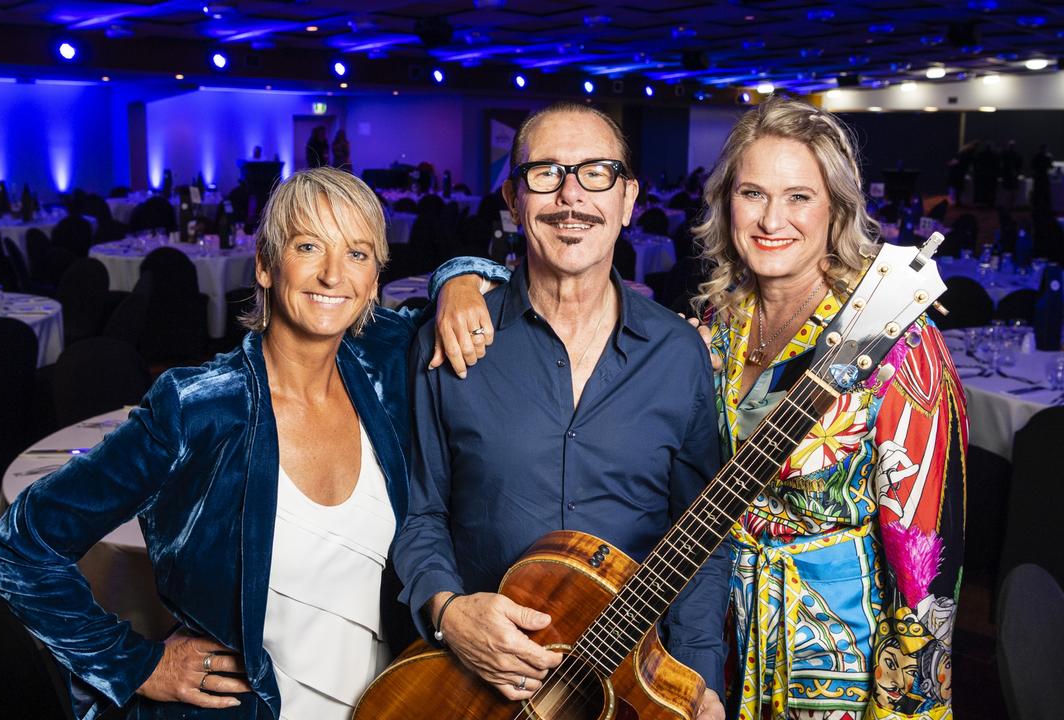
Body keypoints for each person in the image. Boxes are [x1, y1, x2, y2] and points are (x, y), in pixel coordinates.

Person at [0, 167, 510, 720]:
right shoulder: (197, 406)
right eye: (308, 246)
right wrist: (135, 663)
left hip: (394, 702)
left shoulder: (387, 361)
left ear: (375, 280)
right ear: (265, 265)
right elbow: (15, 547)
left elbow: (490, 295)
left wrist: (460, 278)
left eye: (357, 254)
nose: (332, 275)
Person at [395, 102, 732, 719]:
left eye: (596, 173)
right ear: (513, 197)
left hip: (629, 687)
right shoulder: (449, 339)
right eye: (545, 172)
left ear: (628, 199)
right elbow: (421, 512)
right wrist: (447, 611)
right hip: (475, 689)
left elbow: (703, 541)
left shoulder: (678, 353)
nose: (570, 196)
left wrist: (698, 680)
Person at [692, 95, 966, 720]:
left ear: (836, 207)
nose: (771, 219)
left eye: (798, 197)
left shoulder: (894, 337)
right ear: (725, 201)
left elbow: (924, 548)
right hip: (719, 643)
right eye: (753, 193)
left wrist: (906, 708)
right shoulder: (719, 322)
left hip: (838, 657)